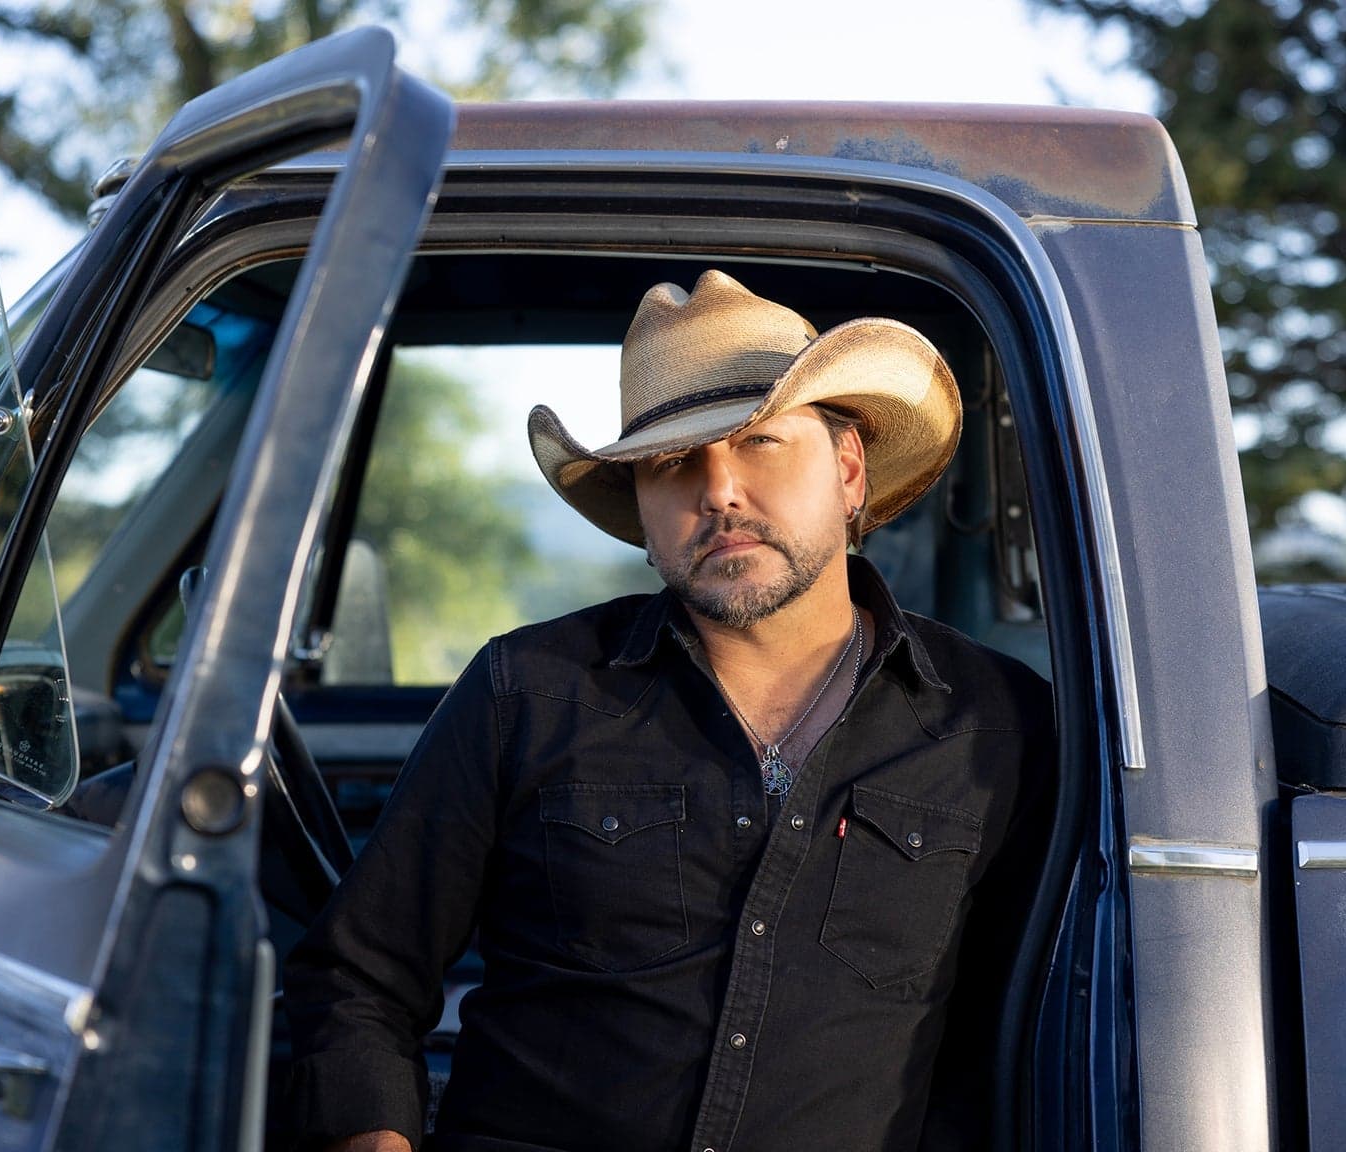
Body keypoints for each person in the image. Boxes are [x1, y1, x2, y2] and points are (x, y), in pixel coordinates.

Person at [280, 269, 1054, 1152]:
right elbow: (358, 980)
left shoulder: (995, 730)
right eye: (673, 461)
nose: (718, 491)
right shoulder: (526, 692)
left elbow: (1034, 1033)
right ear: (641, 515)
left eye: (759, 442)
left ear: (848, 471)